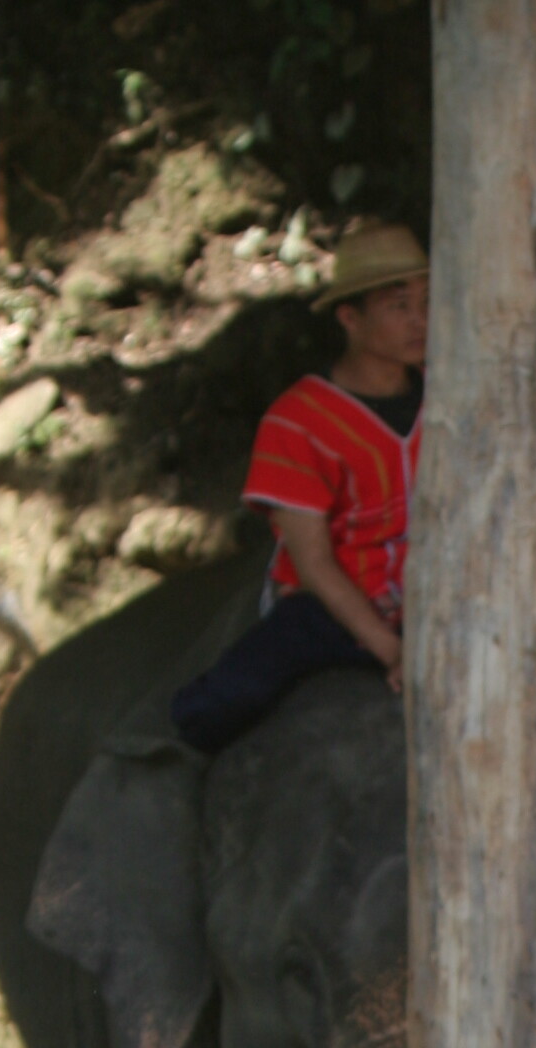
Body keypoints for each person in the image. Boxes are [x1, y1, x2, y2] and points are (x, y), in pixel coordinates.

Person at [170, 224, 429, 758]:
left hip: (432, 599)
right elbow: (312, 563)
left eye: (426, 302)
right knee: (220, 704)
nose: (419, 321)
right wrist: (392, 651)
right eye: (399, 306)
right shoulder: (297, 422)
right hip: (331, 609)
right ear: (349, 318)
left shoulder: (448, 393)